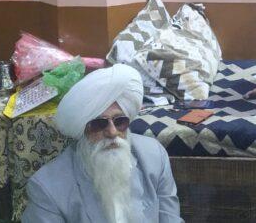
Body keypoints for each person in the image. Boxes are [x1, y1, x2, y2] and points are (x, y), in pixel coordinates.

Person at [22, 64, 183, 223]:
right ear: (83, 130)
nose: (112, 132)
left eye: (119, 121)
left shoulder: (154, 157)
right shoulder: (47, 187)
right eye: (99, 124)